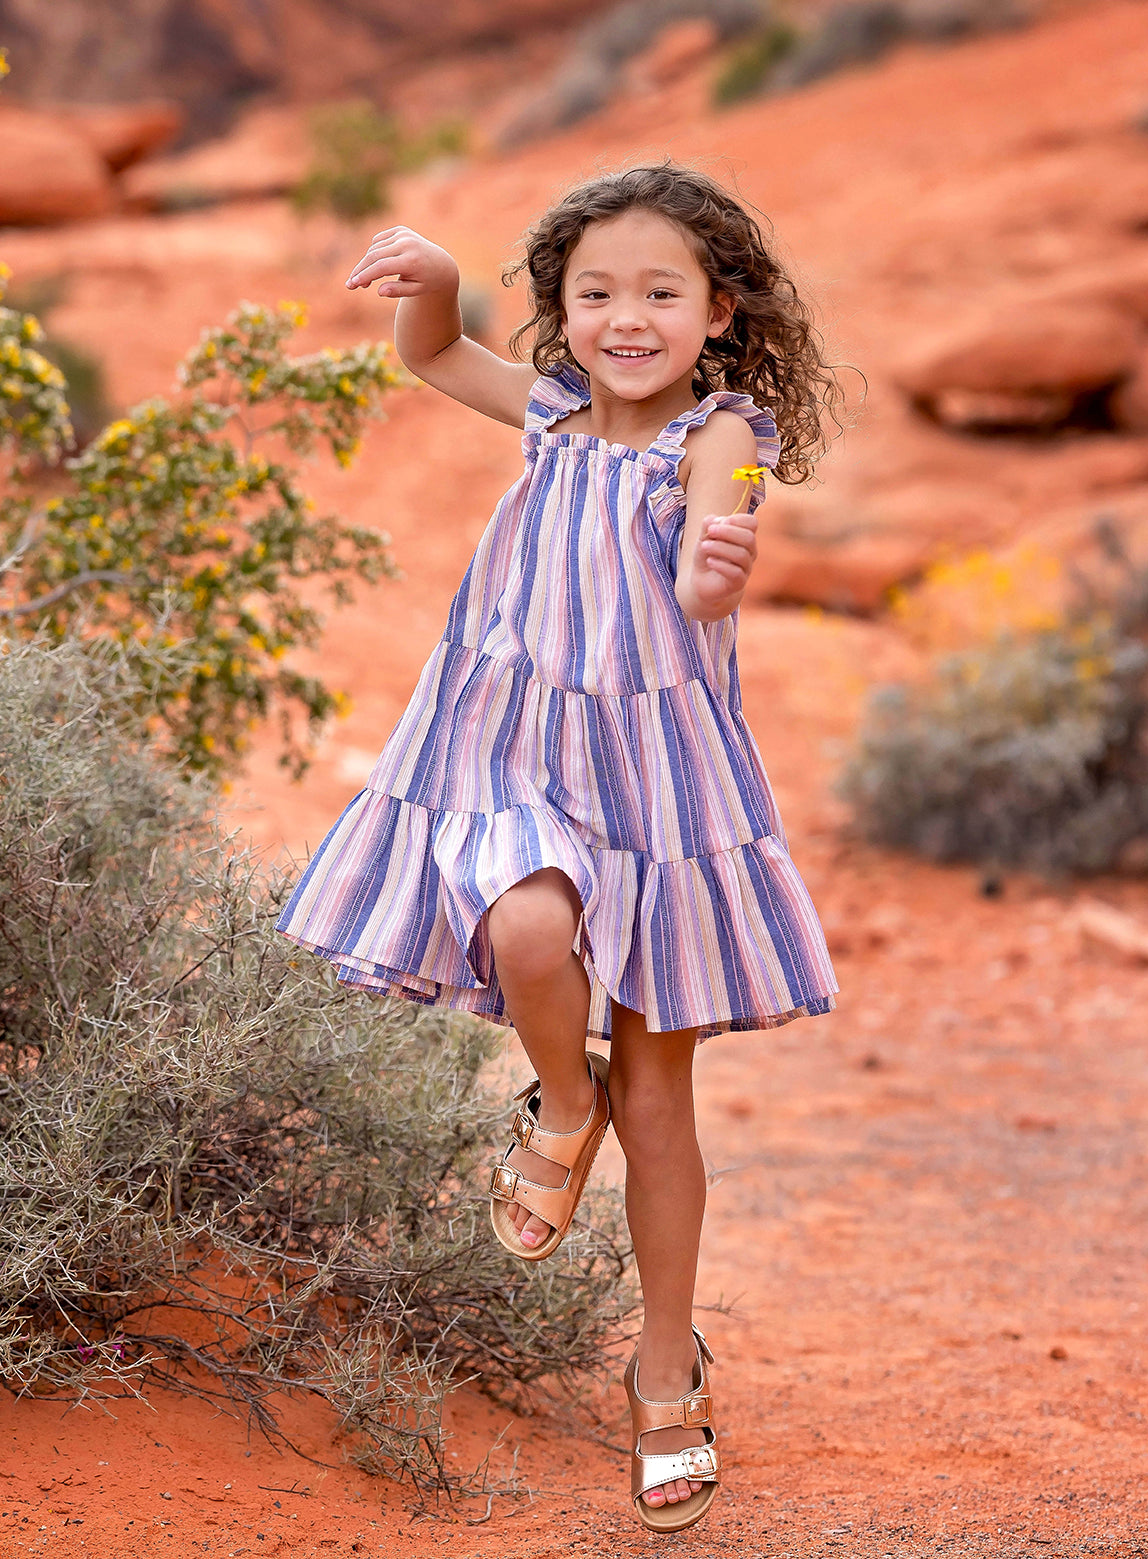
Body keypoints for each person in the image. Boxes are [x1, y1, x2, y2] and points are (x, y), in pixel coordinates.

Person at [277, 162, 840, 1532]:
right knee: (526, 929)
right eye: (595, 293)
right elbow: (432, 357)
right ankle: (559, 1105)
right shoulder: (545, 414)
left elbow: (729, 513)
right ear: (562, 310)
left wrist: (720, 560)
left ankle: (665, 1375)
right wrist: (433, 289)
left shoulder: (725, 429)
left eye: (661, 291)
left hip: (660, 790)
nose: (625, 317)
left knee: (665, 1105)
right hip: (513, 750)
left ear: (720, 311)